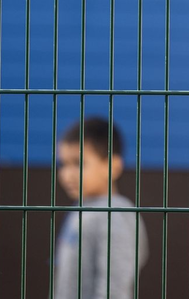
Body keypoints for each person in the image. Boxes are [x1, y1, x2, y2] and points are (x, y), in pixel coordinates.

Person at [53, 117, 148, 299]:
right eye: (63, 164)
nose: (67, 174)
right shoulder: (81, 209)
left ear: (112, 166)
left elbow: (115, 288)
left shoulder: (115, 215)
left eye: (78, 163)